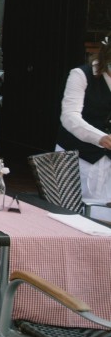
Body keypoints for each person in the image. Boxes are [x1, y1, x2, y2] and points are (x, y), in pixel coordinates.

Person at [58, 32, 111, 222]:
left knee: (103, 219)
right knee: (69, 216)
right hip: (77, 157)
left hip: (108, 164)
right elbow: (69, 117)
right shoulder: (81, 75)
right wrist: (101, 137)